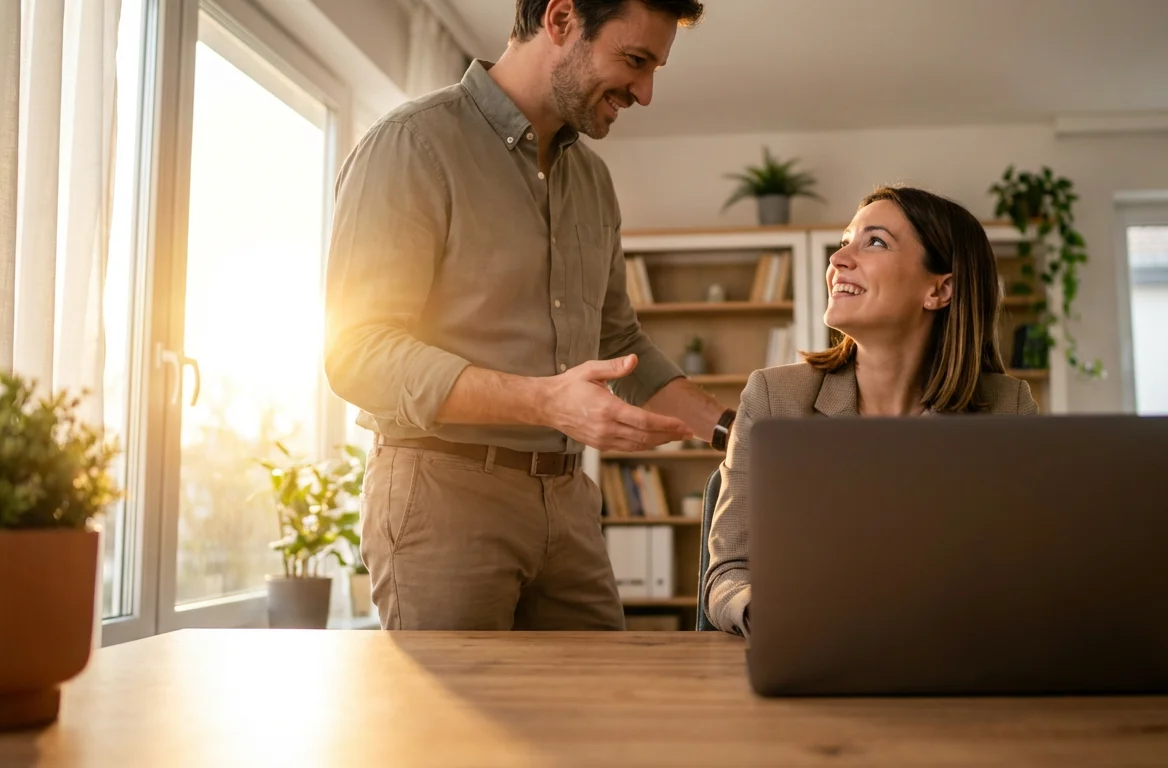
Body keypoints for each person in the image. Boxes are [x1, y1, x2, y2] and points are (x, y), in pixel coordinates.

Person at [323, 0, 737, 632]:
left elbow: (618, 340)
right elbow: (357, 353)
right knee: (458, 733)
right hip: (442, 495)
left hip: (568, 500)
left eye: (655, 68)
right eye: (635, 61)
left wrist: (733, 433)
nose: (646, 93)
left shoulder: (592, 181)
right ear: (562, 19)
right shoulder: (411, 144)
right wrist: (546, 403)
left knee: (600, 718)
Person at [702, 185, 1040, 637]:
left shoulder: (1008, 410)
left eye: (874, 241)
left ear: (941, 289)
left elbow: (1034, 569)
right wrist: (766, 611)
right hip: (811, 652)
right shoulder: (772, 398)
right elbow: (727, 573)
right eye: (845, 241)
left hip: (955, 655)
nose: (838, 259)